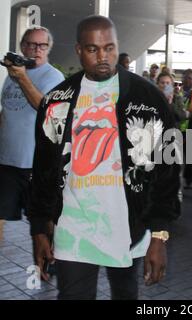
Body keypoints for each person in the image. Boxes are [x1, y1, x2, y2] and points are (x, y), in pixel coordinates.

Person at [28, 15, 180, 300]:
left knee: (125, 294)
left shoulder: (147, 98)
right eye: (92, 49)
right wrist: (39, 227)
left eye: (109, 48)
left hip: (128, 229)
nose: (103, 57)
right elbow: (43, 169)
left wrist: (159, 234)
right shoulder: (57, 100)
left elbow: (167, 170)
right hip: (73, 228)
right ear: (78, 50)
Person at [0, 26, 64, 241]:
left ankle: (49, 261)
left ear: (48, 49)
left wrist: (23, 77)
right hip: (7, 161)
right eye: (31, 44)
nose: (36, 49)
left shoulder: (54, 77)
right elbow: (7, 111)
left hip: (35, 163)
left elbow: (44, 107)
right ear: (22, 47)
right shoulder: (11, 76)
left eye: (42, 45)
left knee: (41, 223)